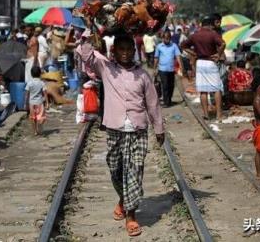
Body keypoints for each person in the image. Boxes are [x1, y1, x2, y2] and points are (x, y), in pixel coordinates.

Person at [77, 21, 164, 237]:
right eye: (121, 49)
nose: (125, 54)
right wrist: (92, 28)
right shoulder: (106, 68)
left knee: (134, 170)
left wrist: (159, 128)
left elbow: (152, 103)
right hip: (114, 127)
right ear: (114, 51)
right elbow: (84, 52)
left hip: (138, 130)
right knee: (115, 168)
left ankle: (131, 215)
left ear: (134, 51)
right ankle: (123, 199)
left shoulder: (143, 75)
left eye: (128, 50)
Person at [181, 17, 225, 120]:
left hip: (200, 63)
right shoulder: (213, 34)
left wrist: (193, 53)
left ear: (201, 25)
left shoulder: (194, 35)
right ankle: (218, 115)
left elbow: (183, 46)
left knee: (203, 90)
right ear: (210, 25)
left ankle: (206, 114)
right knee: (217, 89)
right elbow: (223, 43)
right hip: (210, 62)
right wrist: (218, 54)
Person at [154, 31, 183, 107]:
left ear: (170, 38)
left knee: (171, 86)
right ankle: (166, 102)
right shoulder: (159, 46)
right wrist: (155, 68)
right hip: (162, 69)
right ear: (162, 38)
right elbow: (156, 58)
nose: (167, 40)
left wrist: (181, 66)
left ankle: (169, 100)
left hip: (171, 69)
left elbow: (178, 56)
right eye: (165, 38)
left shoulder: (174, 46)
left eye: (168, 38)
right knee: (165, 85)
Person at [25, 66, 49, 135]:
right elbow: (45, 94)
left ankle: (35, 131)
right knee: (41, 116)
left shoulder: (29, 83)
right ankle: (40, 124)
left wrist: (25, 103)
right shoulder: (42, 83)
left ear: (31, 74)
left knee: (33, 117)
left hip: (31, 103)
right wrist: (47, 103)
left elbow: (26, 94)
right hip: (40, 103)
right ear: (40, 74)